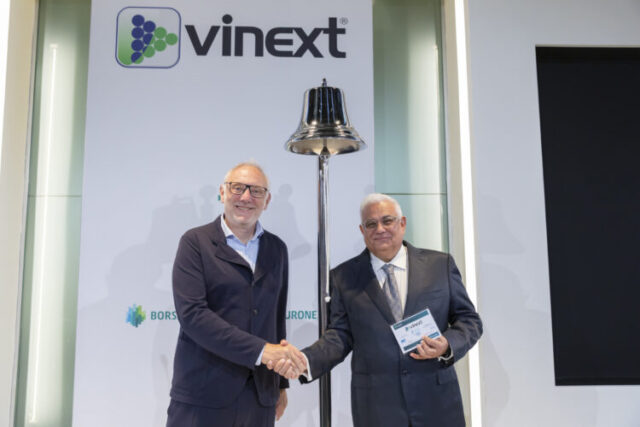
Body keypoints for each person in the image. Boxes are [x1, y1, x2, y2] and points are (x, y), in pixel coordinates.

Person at [271, 193, 482, 427]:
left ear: (402, 223)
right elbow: (339, 336)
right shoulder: (343, 277)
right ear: (362, 230)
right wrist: (305, 360)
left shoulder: (439, 265)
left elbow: (469, 320)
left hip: (437, 403)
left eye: (387, 220)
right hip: (377, 408)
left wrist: (447, 344)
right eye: (371, 224)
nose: (380, 229)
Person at [167, 162, 305, 427]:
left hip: (260, 395)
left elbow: (276, 318)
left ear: (267, 200)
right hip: (203, 393)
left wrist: (280, 385)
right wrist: (262, 351)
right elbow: (193, 316)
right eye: (237, 188)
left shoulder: (277, 249)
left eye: (256, 191)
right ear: (222, 192)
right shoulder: (195, 242)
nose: (246, 197)